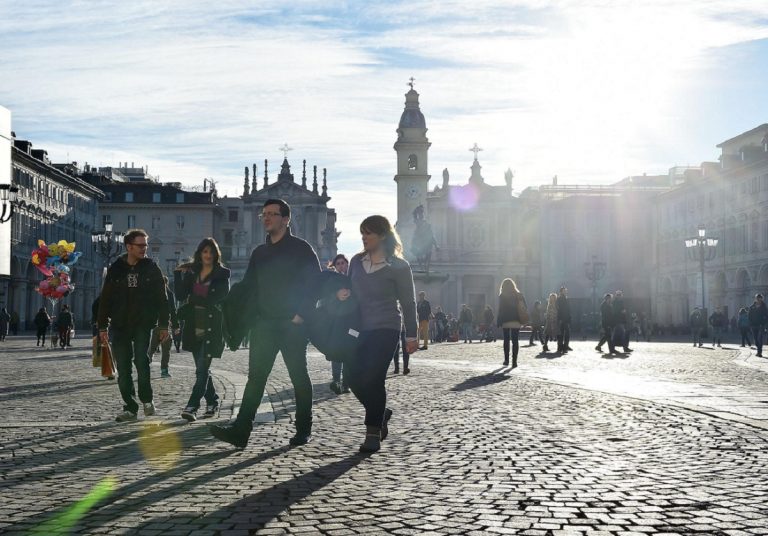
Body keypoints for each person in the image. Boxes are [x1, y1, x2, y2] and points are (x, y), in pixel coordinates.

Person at [210, 199, 321, 448]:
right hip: (265, 324)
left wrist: (301, 314)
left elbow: (316, 283)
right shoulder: (259, 252)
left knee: (298, 376)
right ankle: (241, 431)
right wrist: (226, 302)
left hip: (292, 325)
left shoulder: (302, 249)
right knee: (256, 379)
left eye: (272, 214)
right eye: (264, 214)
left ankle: (304, 428)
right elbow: (249, 286)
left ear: (286, 219)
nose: (267, 218)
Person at [340, 215, 417, 453]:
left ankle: (372, 432)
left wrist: (412, 335)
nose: (363, 238)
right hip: (359, 328)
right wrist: (341, 294)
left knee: (374, 378)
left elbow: (408, 301)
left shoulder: (400, 267)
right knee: (352, 378)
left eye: (368, 233)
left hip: (386, 328)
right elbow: (349, 290)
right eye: (362, 233)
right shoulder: (355, 261)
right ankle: (381, 412)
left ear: (382, 235)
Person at [98, 229, 170, 423]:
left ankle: (147, 400)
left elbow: (163, 299)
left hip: (142, 323)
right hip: (120, 325)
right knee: (123, 367)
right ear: (129, 247)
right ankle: (130, 407)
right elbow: (105, 299)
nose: (144, 249)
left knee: (141, 361)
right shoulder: (116, 269)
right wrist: (102, 327)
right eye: (141, 245)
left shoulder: (151, 267)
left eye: (145, 245)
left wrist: (164, 324)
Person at [175, 238, 231, 421]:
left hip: (212, 327)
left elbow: (220, 299)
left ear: (216, 255)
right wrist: (177, 274)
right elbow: (181, 295)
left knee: (201, 370)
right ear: (200, 253)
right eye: (205, 252)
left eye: (211, 252)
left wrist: (194, 301)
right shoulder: (192, 273)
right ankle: (213, 401)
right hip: (193, 326)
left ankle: (192, 406)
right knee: (202, 370)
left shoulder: (223, 274)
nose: (208, 255)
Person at [149, 276, 180, 378]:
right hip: (165, 325)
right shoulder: (169, 294)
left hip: (155, 325)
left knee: (151, 348)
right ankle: (164, 370)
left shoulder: (152, 293)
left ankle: (145, 366)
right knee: (165, 350)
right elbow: (173, 311)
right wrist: (175, 326)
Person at [328, 253, 350, 394]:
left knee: (349, 352)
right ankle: (336, 380)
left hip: (351, 321)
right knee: (337, 351)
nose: (341, 265)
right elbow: (324, 300)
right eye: (338, 263)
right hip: (337, 321)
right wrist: (336, 296)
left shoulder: (353, 279)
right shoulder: (331, 281)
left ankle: (346, 383)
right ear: (335, 266)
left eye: (343, 263)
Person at [496, 278, 526, 368]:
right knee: (515, 341)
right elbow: (525, 307)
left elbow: (500, 310)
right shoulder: (519, 295)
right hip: (516, 320)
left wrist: (499, 321)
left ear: (503, 286)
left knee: (506, 340)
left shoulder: (502, 295)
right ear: (513, 286)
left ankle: (506, 360)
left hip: (506, 320)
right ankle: (514, 362)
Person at [556, 287, 572, 353]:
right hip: (562, 319)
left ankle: (564, 346)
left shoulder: (566, 298)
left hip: (566, 318)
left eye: (566, 290)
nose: (565, 291)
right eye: (564, 291)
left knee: (566, 333)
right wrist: (560, 318)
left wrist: (569, 317)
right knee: (561, 334)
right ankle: (561, 347)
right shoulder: (559, 299)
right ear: (561, 292)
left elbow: (568, 309)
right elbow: (559, 310)